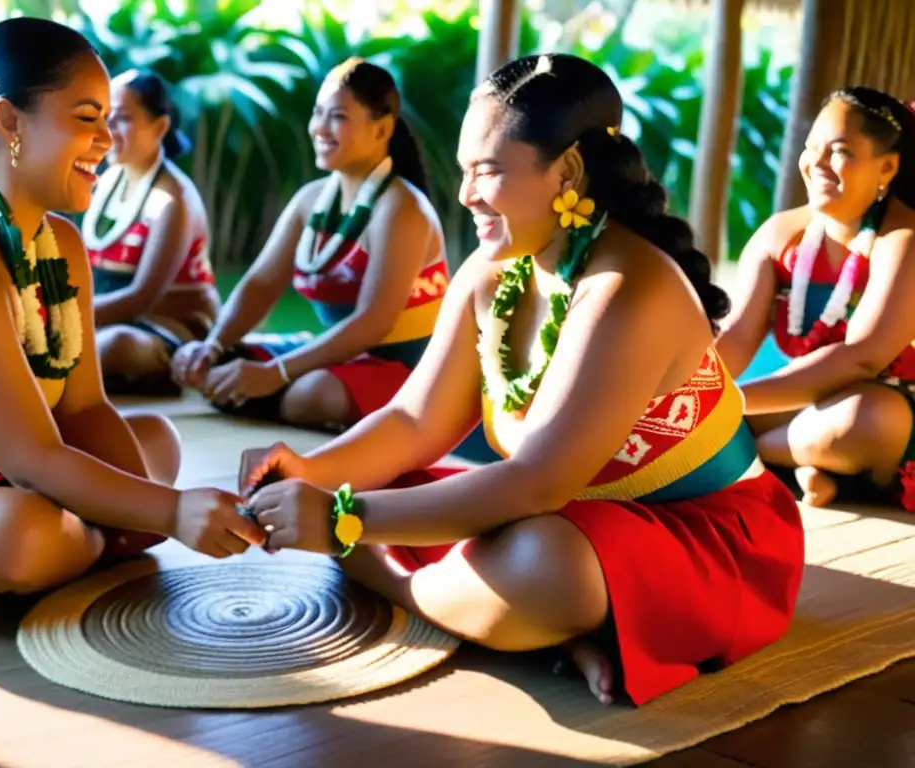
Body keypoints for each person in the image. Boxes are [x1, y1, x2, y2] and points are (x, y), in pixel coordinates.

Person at [234, 54, 805, 707]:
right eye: (465, 169)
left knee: (544, 565)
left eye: (488, 171)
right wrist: (310, 472)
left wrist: (343, 521)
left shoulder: (627, 287)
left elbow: (536, 482)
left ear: (567, 170)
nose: (465, 193)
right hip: (562, 517)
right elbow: (414, 422)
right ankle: (539, 627)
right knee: (383, 482)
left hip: (701, 538)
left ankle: (423, 593)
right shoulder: (491, 271)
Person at [0, 18, 263, 615]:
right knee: (28, 536)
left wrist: (150, 516)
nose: (107, 141)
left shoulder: (59, 242)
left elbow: (84, 407)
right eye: (87, 119)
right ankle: (73, 539)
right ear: (10, 121)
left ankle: (83, 537)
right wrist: (166, 512)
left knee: (156, 445)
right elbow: (31, 459)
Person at [170, 57, 449, 431]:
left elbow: (373, 323)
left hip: (406, 371)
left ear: (381, 129)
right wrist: (214, 344)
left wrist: (274, 373)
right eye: (318, 113)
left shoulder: (401, 208)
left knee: (311, 396)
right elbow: (261, 284)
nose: (320, 127)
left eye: (338, 117)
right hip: (339, 361)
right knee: (213, 369)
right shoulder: (310, 199)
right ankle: (276, 389)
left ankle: (290, 397)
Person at [716, 87, 915, 510]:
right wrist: (695, 391)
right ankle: (804, 461)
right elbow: (736, 333)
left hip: (886, 406)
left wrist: (728, 404)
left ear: (888, 166)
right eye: (811, 148)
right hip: (806, 403)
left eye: (839, 151)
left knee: (868, 420)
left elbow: (862, 358)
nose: (817, 163)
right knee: (695, 413)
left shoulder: (903, 240)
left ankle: (764, 456)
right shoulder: (781, 234)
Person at [83, 68, 220, 395]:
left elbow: (140, 299)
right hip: (113, 319)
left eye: (121, 118)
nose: (108, 130)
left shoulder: (173, 200)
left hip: (171, 329)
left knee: (111, 347)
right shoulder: (106, 182)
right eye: (104, 118)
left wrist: (61, 319)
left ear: (159, 126)